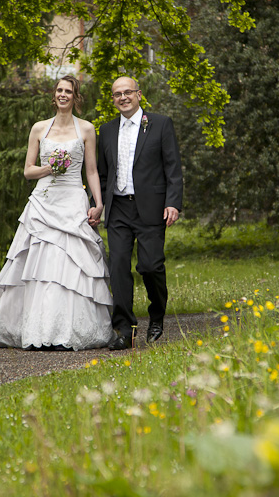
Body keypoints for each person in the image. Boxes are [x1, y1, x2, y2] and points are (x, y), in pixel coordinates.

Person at [0, 76, 114, 351]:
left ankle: (67, 331)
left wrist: (98, 204)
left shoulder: (87, 129)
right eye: (59, 90)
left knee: (69, 265)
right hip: (43, 203)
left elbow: (91, 171)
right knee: (39, 267)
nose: (63, 95)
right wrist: (49, 168)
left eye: (69, 91)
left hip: (72, 200)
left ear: (75, 97)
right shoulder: (39, 128)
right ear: (53, 96)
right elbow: (28, 171)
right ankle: (35, 329)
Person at [93, 76, 183, 350]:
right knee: (118, 267)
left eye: (127, 92)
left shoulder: (160, 124)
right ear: (113, 99)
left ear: (139, 94)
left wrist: (173, 203)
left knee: (150, 266)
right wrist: (98, 203)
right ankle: (124, 330)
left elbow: (173, 168)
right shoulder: (106, 131)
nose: (123, 97)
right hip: (118, 209)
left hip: (150, 208)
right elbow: (103, 173)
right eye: (117, 94)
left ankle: (157, 316)